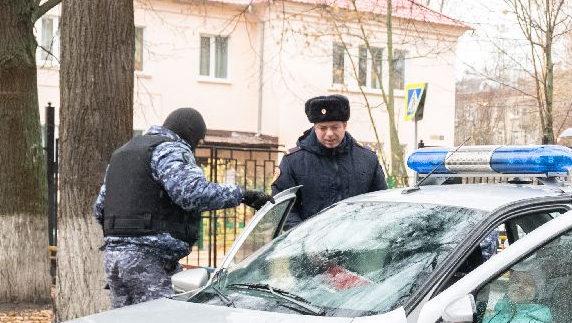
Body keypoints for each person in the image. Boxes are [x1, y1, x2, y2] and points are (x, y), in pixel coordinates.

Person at [93, 108, 266, 307]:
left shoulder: (122, 154)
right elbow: (191, 193)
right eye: (198, 141)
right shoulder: (170, 149)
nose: (196, 147)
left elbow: (100, 209)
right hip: (148, 260)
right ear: (190, 133)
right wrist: (243, 195)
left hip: (114, 260)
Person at [271, 94, 388, 225]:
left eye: (335, 127)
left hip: (358, 241)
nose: (329, 133)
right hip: (308, 242)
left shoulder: (367, 159)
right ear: (315, 127)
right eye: (322, 128)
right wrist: (304, 236)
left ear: (345, 125)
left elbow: (380, 204)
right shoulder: (293, 161)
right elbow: (281, 209)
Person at [478, 264, 553, 323]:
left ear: (537, 291)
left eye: (527, 283)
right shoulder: (491, 318)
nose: (519, 285)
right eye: (516, 281)